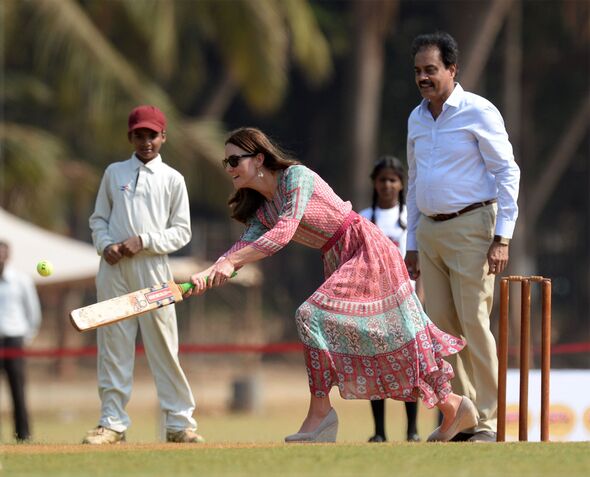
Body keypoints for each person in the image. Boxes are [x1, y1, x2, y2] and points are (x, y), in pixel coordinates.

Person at [185, 127, 479, 443]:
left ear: (258, 159)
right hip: (338, 255)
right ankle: (453, 406)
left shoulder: (295, 177)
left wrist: (230, 263)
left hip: (364, 246)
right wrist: (212, 270)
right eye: (225, 162)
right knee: (385, 338)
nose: (228, 168)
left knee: (310, 315)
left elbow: (283, 234)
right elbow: (244, 245)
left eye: (233, 160)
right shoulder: (263, 208)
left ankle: (321, 415)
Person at [405, 32, 521, 443]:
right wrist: (412, 244)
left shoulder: (478, 111)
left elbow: (509, 172)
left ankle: (488, 420)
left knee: (474, 323)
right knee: (442, 330)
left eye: (431, 70)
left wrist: (502, 237)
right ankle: (462, 415)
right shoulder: (416, 118)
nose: (423, 77)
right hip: (429, 232)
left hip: (473, 228)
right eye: (418, 70)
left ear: (452, 70)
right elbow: (415, 179)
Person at [83, 105, 203, 444]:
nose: (146, 141)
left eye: (152, 135)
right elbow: (98, 219)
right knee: (113, 345)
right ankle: (112, 423)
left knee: (164, 345)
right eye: (140, 135)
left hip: (153, 269)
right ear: (130, 136)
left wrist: (145, 241)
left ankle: (179, 424)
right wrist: (106, 245)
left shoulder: (173, 179)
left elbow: (182, 232)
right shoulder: (114, 173)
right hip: (114, 269)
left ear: (163, 136)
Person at [359, 156, 422, 443]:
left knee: (410, 367)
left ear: (401, 184)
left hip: (405, 301)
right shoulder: (363, 218)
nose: (387, 185)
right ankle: (379, 431)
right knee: (376, 369)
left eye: (393, 180)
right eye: (382, 179)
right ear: (375, 182)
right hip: (373, 303)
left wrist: (419, 299)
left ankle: (412, 430)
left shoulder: (412, 218)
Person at [0, 240, 41, 442]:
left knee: (18, 390)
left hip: (14, 340)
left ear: (8, 255)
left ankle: (23, 436)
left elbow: (33, 311)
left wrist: (27, 335)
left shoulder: (21, 280)